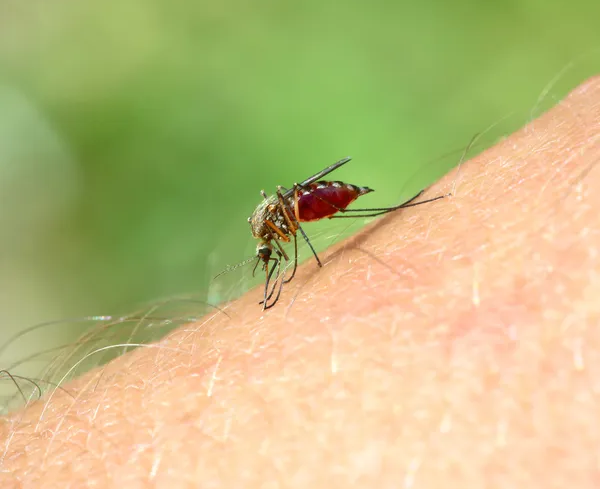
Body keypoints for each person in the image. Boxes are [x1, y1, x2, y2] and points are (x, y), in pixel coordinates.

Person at [2, 77, 600, 487]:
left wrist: (298, 238)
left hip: (310, 198)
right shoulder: (271, 228)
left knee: (318, 223)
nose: (270, 248)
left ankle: (396, 209)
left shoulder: (283, 221)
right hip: (300, 204)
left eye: (270, 247)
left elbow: (287, 215)